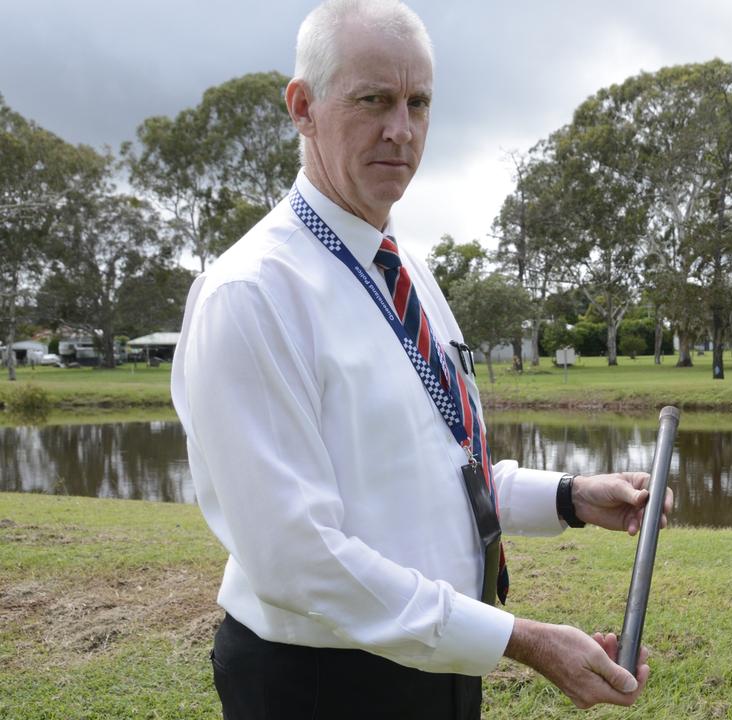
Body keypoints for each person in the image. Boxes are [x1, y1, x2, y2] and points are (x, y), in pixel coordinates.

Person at [170, 1, 671, 717]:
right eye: (373, 100)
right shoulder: (252, 295)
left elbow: (438, 471)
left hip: (436, 665)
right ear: (303, 107)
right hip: (324, 686)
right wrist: (519, 639)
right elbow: (297, 558)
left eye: (418, 103)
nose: (400, 130)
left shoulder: (403, 273)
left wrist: (570, 496)